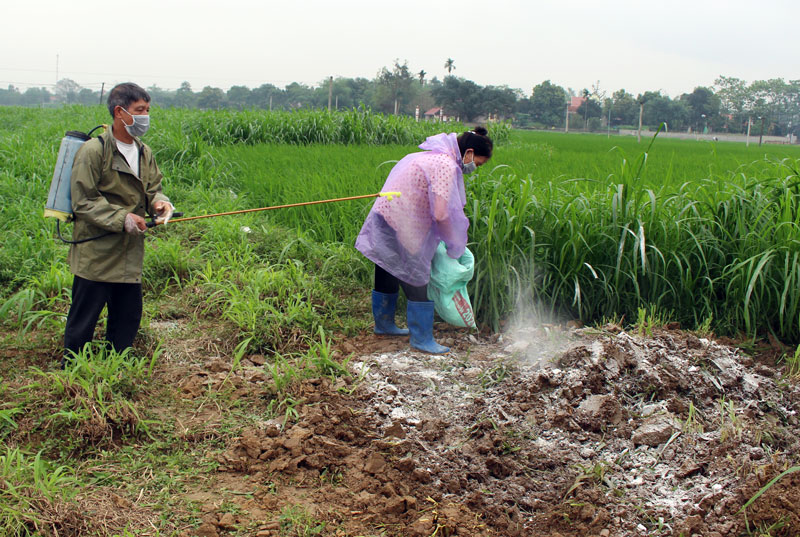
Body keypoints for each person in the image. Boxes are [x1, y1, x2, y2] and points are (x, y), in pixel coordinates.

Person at [62, 82, 174, 363]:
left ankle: (117, 368)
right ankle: (73, 371)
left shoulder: (143, 151)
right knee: (83, 319)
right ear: (119, 112)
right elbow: (83, 200)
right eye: (139, 110)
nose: (145, 116)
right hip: (96, 254)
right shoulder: (93, 151)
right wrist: (121, 217)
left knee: (127, 318)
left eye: (147, 110)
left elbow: (152, 189)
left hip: (129, 255)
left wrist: (160, 202)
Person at [355, 127, 493, 354]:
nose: (474, 168)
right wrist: (452, 241)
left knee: (386, 266)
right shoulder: (445, 165)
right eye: (477, 163)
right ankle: (422, 338)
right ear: (468, 153)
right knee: (416, 275)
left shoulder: (428, 156)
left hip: (387, 213)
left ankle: (384, 324)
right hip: (404, 220)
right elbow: (441, 214)